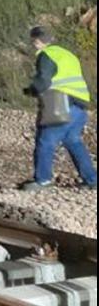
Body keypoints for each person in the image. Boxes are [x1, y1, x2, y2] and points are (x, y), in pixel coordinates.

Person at [20, 26, 96, 192]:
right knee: (73, 140)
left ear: (37, 41)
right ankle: (92, 180)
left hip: (61, 103)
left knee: (45, 141)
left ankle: (43, 181)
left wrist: (32, 90)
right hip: (81, 105)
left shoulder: (46, 55)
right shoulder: (68, 54)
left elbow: (44, 81)